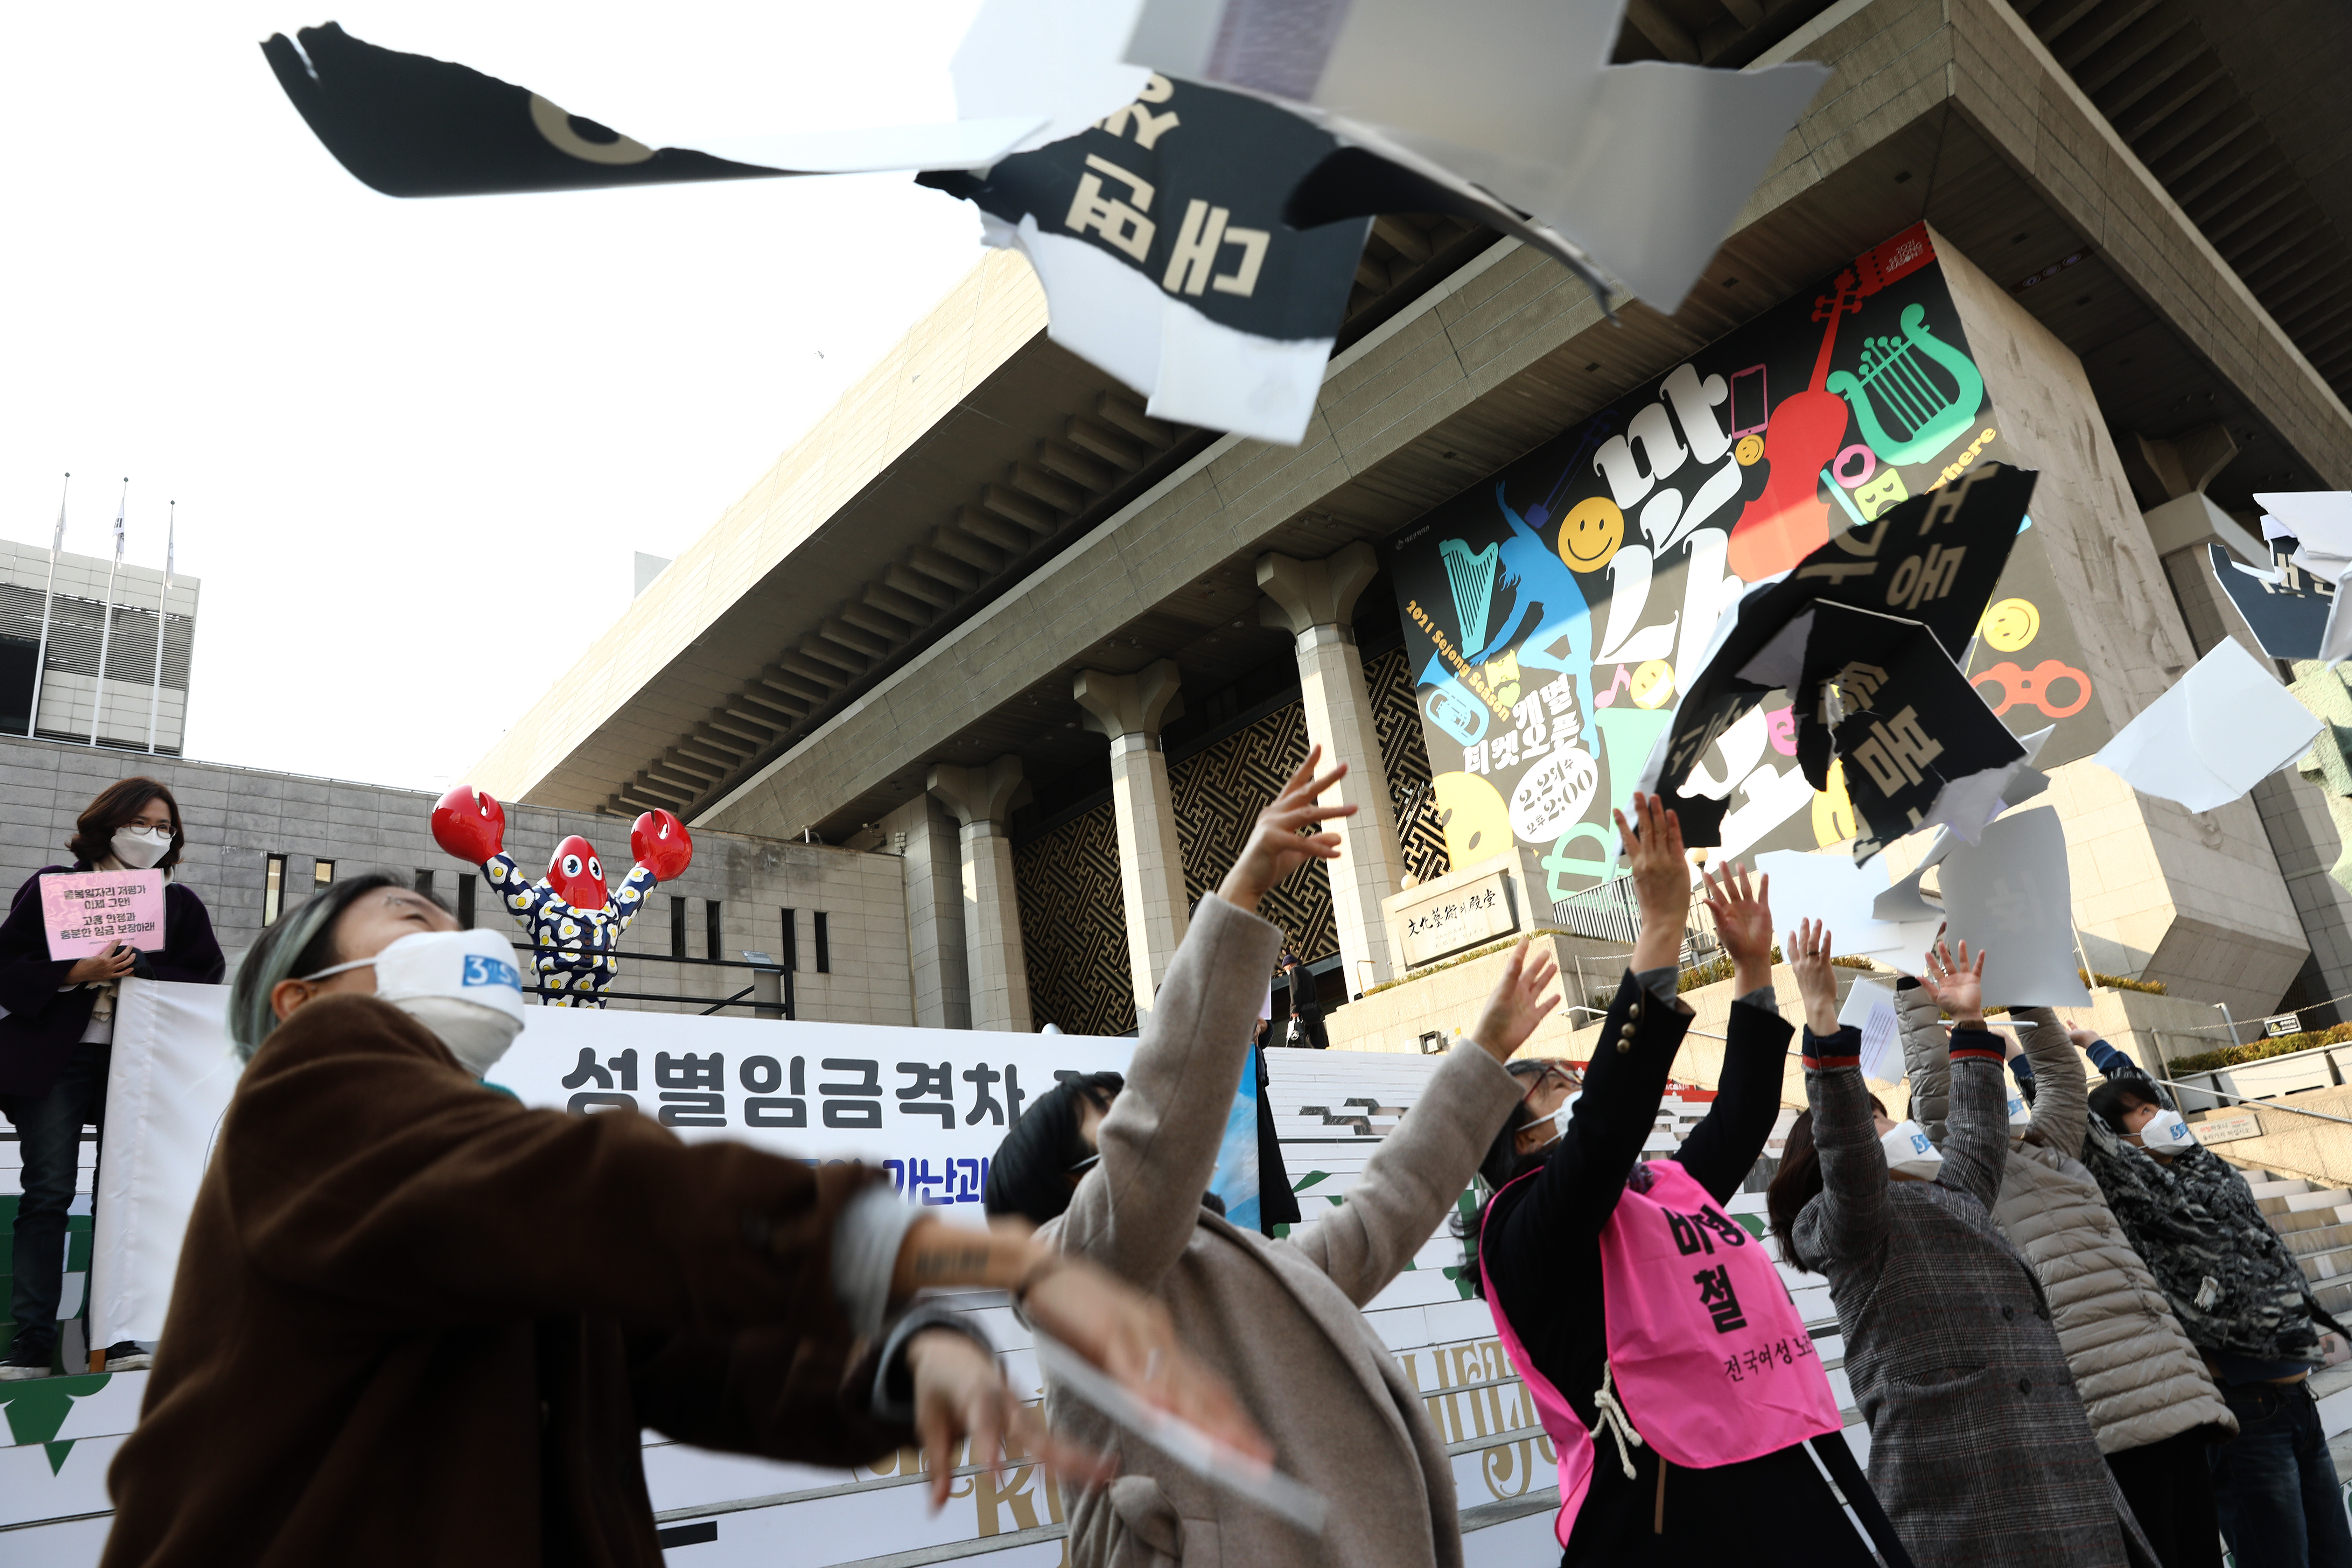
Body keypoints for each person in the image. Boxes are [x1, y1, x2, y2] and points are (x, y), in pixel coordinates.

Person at [100, 872, 1263, 1566]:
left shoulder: (489, 1181)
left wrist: (901, 1367)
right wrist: (896, 1244)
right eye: (412, 916)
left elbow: (695, 1357)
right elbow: (595, 1192)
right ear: (300, 1000)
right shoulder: (307, 1087)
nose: (457, 940)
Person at [995, 747, 1557, 1568]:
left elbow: (1380, 1215)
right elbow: (1158, 1143)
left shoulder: (1232, 1272)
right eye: (1110, 1134)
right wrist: (1243, 890)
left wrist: (1482, 1057)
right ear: (1071, 1192)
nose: (1153, 1133)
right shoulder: (1067, 1272)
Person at [1478, 800, 1879, 1567]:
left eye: (1573, 1074)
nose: (1574, 1085)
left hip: (1763, 1459)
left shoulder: (1660, 1192)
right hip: (1659, 1510)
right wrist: (1661, 928)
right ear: (1516, 1139)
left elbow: (1743, 1115)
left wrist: (1753, 971)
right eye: (1554, 1084)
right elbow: (1605, 1128)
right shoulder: (1520, 1227)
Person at [1774, 934, 2151, 1566]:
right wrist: (1821, 1016)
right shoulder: (1846, 1223)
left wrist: (1970, 1022)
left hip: (2058, 1464)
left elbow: (1978, 1129)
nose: (1896, 1125)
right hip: (1968, 1490)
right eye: (1877, 1119)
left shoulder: (1953, 1193)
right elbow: (1849, 1153)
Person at [1897, 988, 2233, 1568]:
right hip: (2104, 1407)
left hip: (2174, 1390)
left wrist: (2023, 988)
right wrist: (1911, 989)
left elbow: (2059, 1070)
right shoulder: (1966, 1177)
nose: (1998, 1094)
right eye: (1980, 1084)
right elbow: (1935, 1083)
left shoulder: (2051, 1148)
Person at [2072, 1033, 2352, 1567]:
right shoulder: (2138, 1192)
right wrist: (2025, 1051)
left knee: (2335, 1554)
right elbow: (2082, 1128)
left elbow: (2150, 1094)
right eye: (2141, 1114)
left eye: (2155, 1107)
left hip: (2298, 1401)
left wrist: (2097, 1046)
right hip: (2246, 1413)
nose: (2158, 1115)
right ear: (2121, 1142)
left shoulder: (2202, 1165)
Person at [0, 777, 224, 1379]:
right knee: (47, 1193)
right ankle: (31, 1344)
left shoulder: (179, 904)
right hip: (59, 1060)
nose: (153, 835)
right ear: (109, 823)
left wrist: (144, 968)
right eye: (141, 823)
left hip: (141, 1062)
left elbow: (206, 977)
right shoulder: (56, 886)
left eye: (164, 827)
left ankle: (118, 1337)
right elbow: (7, 964)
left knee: (126, 1198)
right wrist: (74, 972)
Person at [1281, 953, 1329, 1050]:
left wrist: (1295, 1009)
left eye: (1286, 969)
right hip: (1314, 1011)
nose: (1287, 971)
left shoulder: (1294, 971)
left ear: (1289, 965)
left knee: (1299, 1037)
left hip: (1304, 1013)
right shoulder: (1307, 972)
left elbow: (1295, 991)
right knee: (1317, 1039)